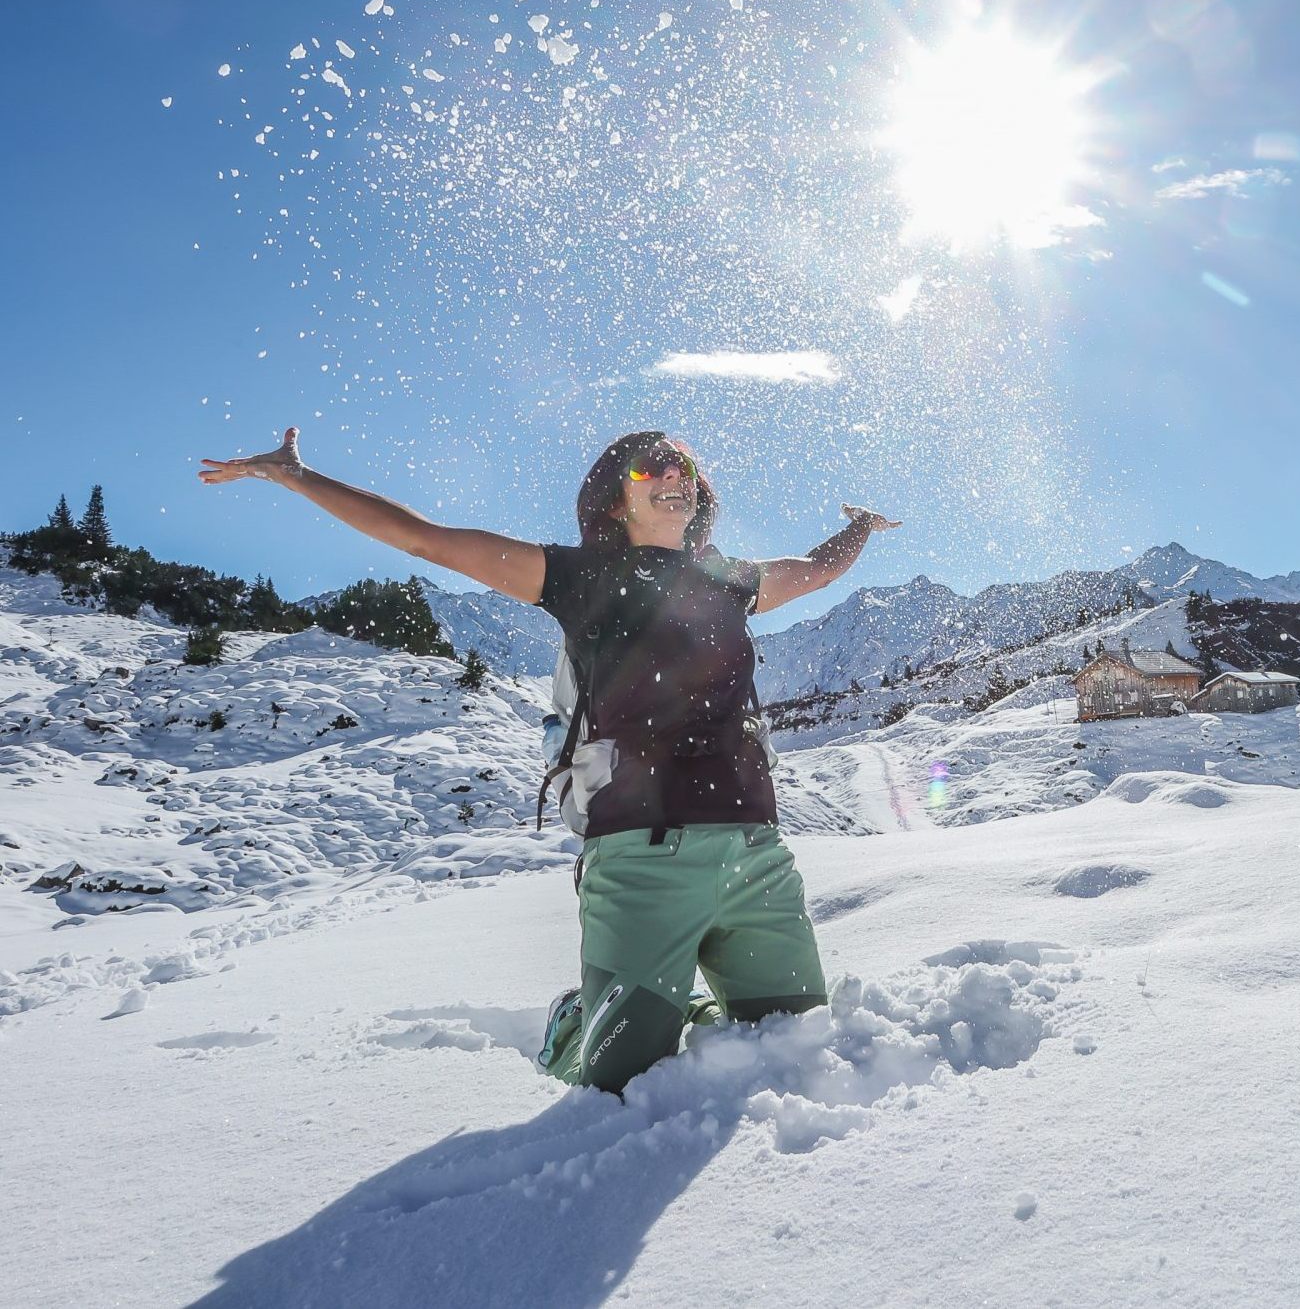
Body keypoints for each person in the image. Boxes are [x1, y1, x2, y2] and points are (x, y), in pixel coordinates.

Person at [199, 426, 899, 1092]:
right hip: (640, 863)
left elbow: (814, 570)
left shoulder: (725, 578)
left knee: (794, 1040)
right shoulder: (579, 576)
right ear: (613, 499)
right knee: (623, 1081)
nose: (670, 474)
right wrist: (297, 476)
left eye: (682, 466)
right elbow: (425, 540)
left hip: (756, 856)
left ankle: (686, 1012)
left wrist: (860, 527)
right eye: (647, 466)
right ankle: (577, 1022)